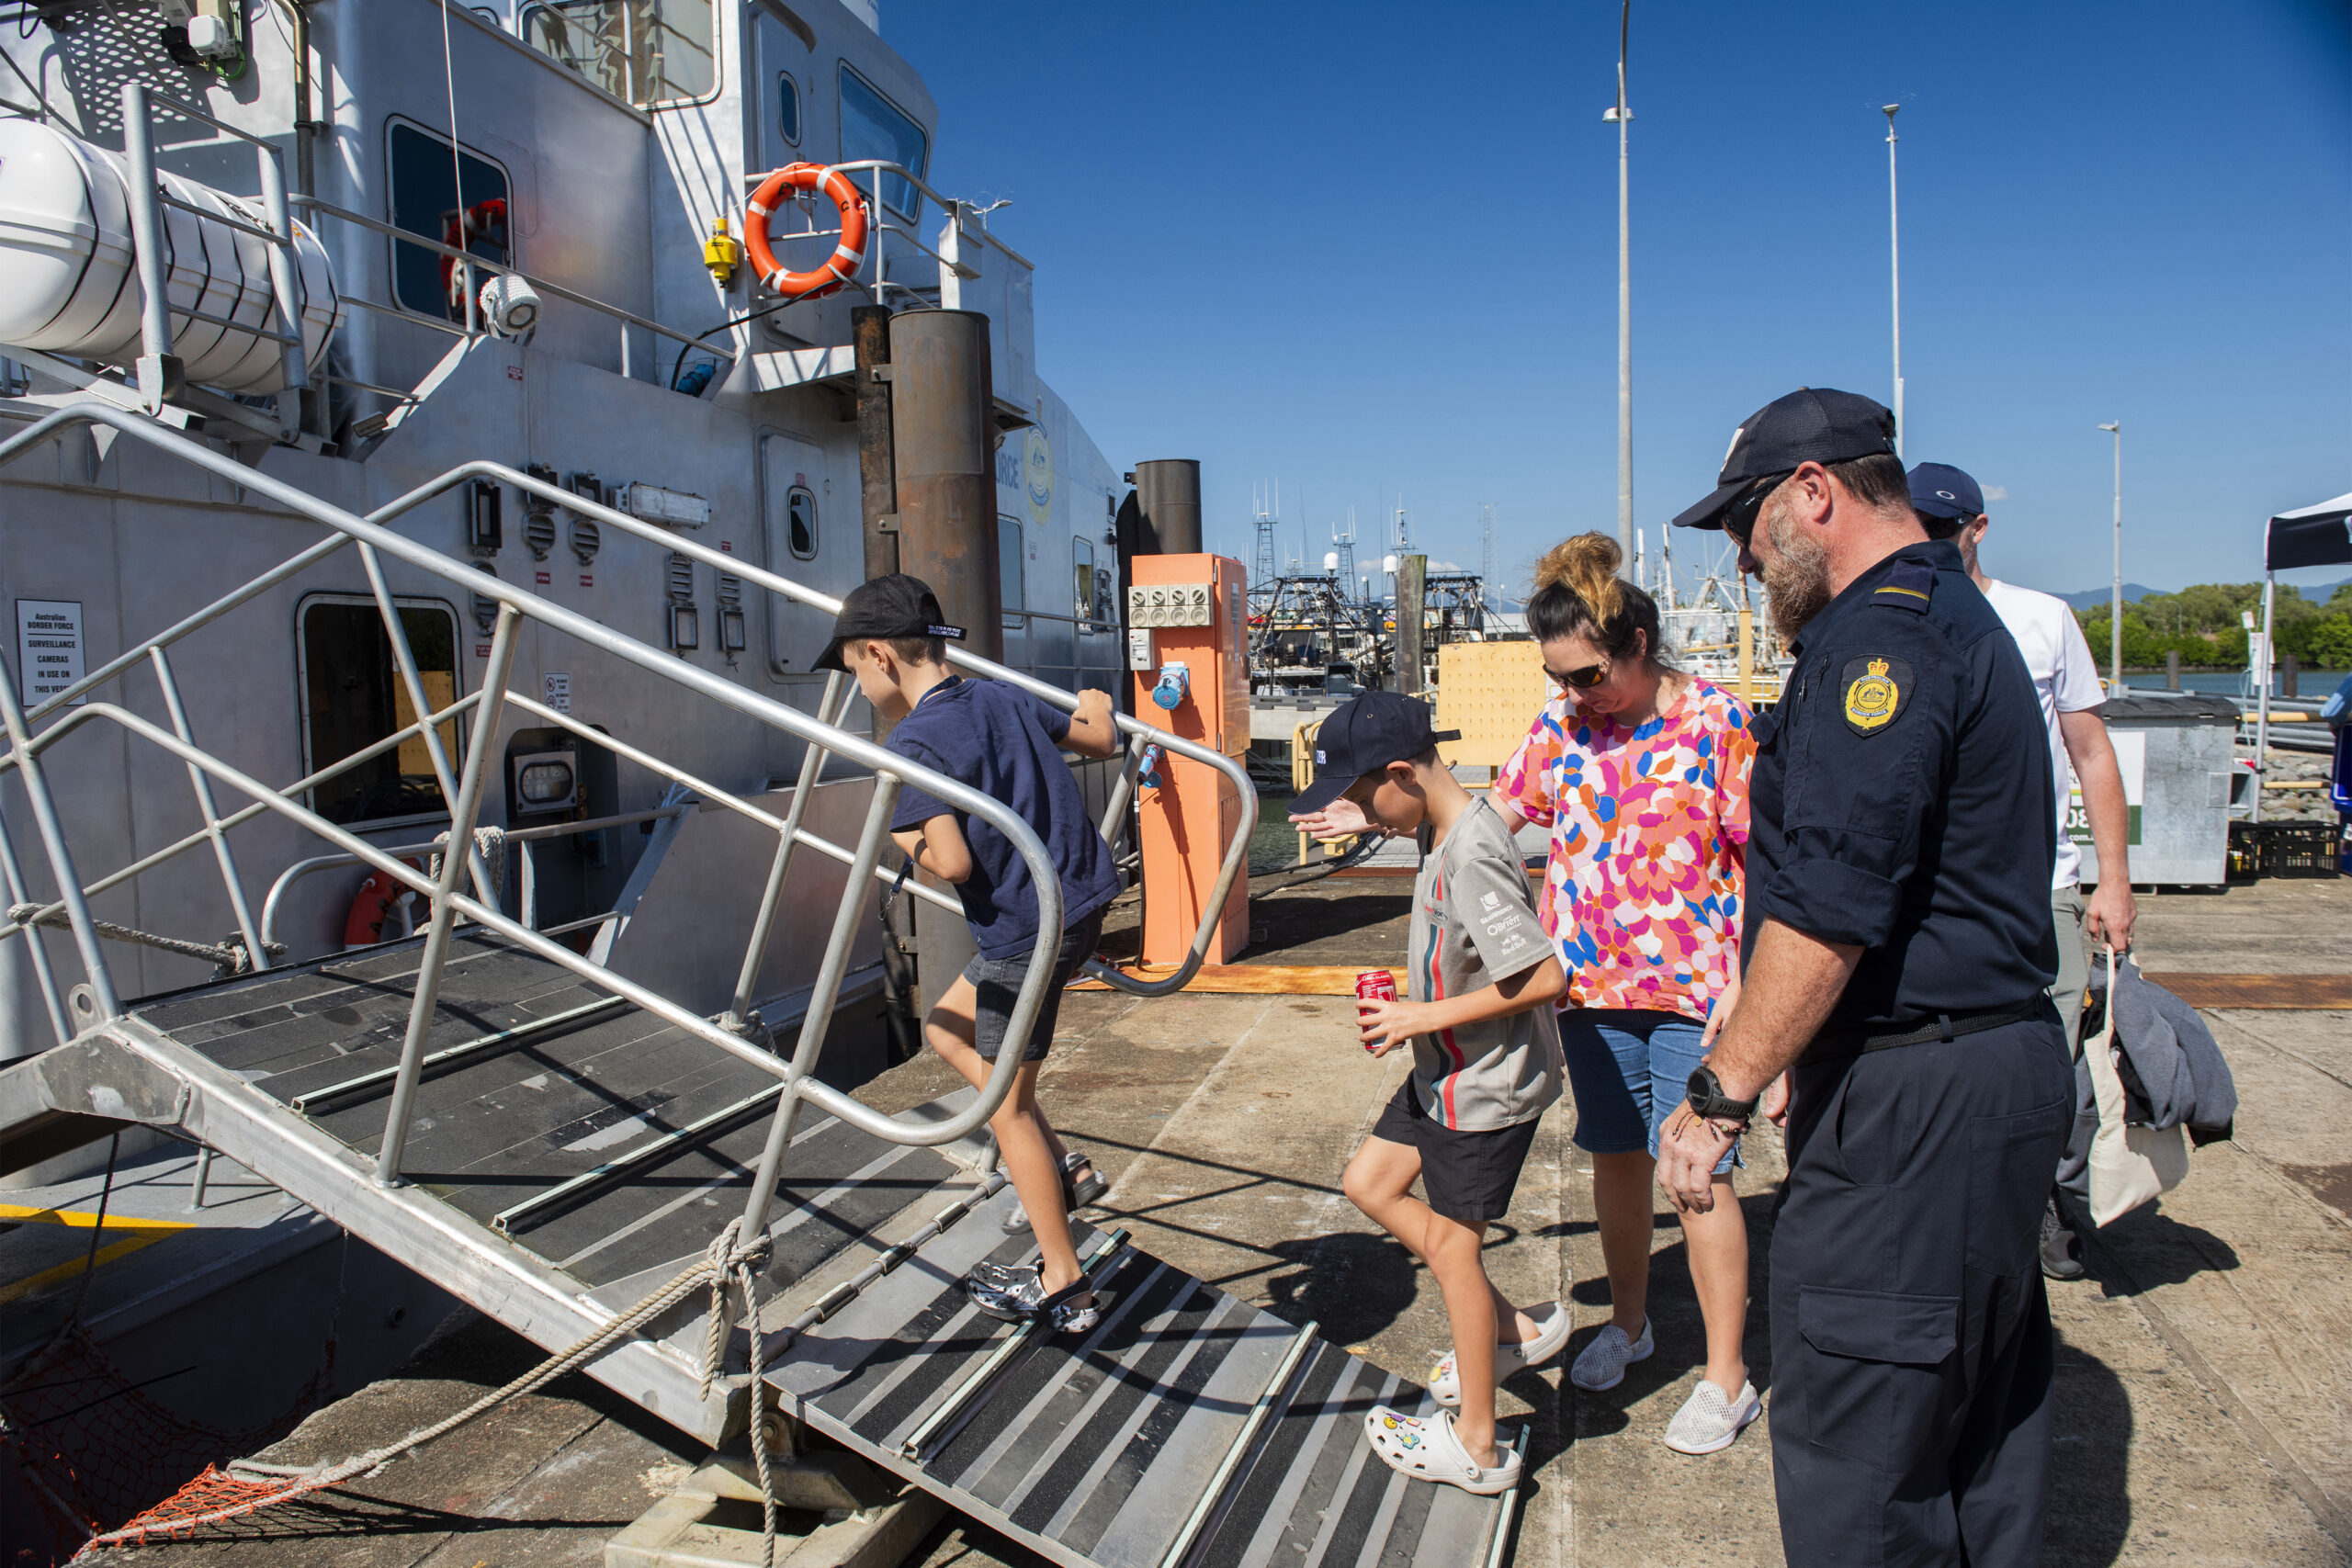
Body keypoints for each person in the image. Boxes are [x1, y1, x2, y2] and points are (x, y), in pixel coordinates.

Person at [1658, 389, 2074, 1567]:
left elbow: (1832, 906)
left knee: (1860, 1464)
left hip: (1915, 1106)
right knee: (1977, 1439)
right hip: (1980, 1072)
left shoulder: (1875, 643)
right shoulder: (1949, 611)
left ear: (1813, 493)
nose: (1741, 559)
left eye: (1744, 524)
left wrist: (1723, 1089)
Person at [1484, 533, 1762, 1454]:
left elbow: (1767, 857)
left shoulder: (1718, 722)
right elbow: (1495, 816)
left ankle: (1727, 1377)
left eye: (1590, 673)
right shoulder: (1560, 726)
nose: (1576, 694)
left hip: (1696, 994)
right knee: (1613, 1158)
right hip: (1589, 990)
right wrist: (1381, 802)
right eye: (1560, 676)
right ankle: (1631, 1326)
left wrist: (1749, 982)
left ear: (1639, 642)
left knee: (1699, 1176)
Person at [819, 574, 1122, 1332]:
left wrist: (903, 833)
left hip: (1026, 930)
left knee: (1005, 1107)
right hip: (1080, 902)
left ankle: (1064, 1279)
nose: (856, 686)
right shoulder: (995, 696)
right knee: (948, 1028)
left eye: (853, 667)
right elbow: (1097, 737)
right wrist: (1099, 702)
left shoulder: (913, 742)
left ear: (881, 655)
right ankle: (1067, 1169)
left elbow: (949, 861)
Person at [1293, 692, 1568, 1496]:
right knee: (1368, 1182)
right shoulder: (1439, 821)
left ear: (1404, 773)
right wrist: (1368, 822)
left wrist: (1423, 1013)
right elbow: (1407, 816)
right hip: (1440, 1074)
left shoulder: (1473, 853)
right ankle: (1510, 1328)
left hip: (1481, 1091)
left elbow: (1544, 975)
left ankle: (1477, 1447)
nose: (1351, 804)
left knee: (1453, 1250)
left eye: (1358, 790)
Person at [1910, 461, 2140, 1281]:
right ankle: (1957, 1213)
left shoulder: (2042, 618)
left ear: (1977, 527)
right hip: (1929, 897)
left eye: (1946, 528)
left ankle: (2050, 1210)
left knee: (2054, 1063)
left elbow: (2091, 752)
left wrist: (2112, 880)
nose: (1932, 543)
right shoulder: (1896, 618)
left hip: (2040, 889)